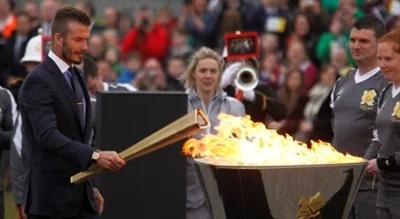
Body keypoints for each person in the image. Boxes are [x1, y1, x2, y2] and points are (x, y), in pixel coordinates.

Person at [18, 7, 125, 219]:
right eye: (78, 40)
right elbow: (47, 136)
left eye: (87, 39)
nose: (85, 47)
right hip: (51, 203)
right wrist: (95, 156)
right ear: (58, 39)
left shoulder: (76, 75)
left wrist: (90, 185)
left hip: (81, 199)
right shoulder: (38, 81)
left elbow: (79, 137)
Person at [330, 16, 387, 219]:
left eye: (363, 41)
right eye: (353, 40)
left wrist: (367, 162)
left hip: (372, 185)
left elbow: (387, 131)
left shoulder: (388, 83)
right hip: (339, 182)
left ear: (380, 44)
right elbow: (334, 128)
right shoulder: (342, 82)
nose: (356, 46)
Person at [181, 47, 245, 219]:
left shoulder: (235, 107)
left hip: (225, 193)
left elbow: (242, 149)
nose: (208, 75)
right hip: (191, 193)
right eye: (203, 70)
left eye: (213, 71)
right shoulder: (180, 104)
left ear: (219, 75)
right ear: (194, 73)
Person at [366, 28, 400, 219]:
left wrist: (383, 163)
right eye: (379, 59)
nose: (382, 65)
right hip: (384, 189)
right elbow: (379, 137)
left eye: (388, 59)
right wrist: (361, 163)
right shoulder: (387, 91)